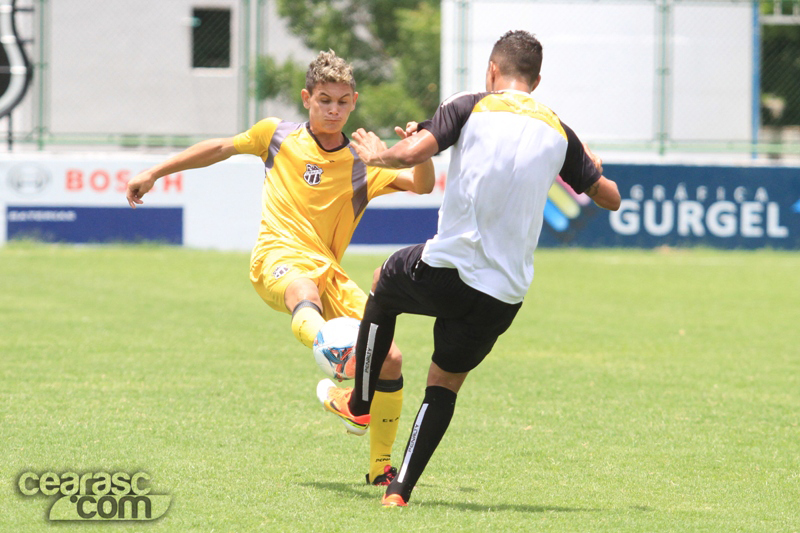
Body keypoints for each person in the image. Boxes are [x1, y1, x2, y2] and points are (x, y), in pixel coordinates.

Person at [317, 30, 621, 507]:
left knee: (382, 282)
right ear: (537, 81)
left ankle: (358, 404)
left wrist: (380, 154)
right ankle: (398, 493)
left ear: (492, 72)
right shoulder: (560, 131)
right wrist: (592, 168)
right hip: (503, 296)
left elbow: (418, 152)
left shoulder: (472, 103)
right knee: (443, 384)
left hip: (447, 269)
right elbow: (610, 197)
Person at [125, 50, 435, 486]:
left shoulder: (366, 161)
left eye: (343, 101)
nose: (333, 109)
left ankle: (378, 466)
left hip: (331, 273)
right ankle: (331, 349)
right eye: (324, 99)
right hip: (278, 257)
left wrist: (414, 151)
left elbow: (423, 187)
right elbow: (217, 148)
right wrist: (155, 170)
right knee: (302, 288)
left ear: (354, 102)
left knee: (391, 359)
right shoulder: (276, 136)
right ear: (307, 98)